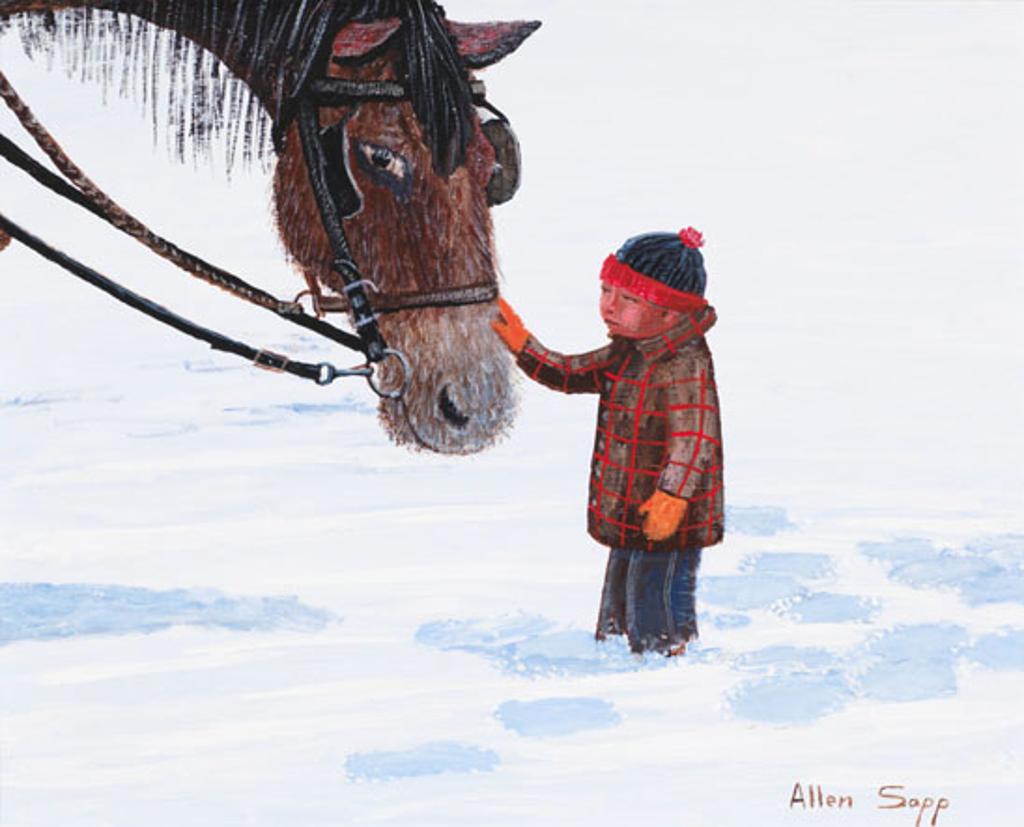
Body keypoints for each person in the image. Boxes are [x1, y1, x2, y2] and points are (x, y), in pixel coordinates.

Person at [492, 227, 724, 655]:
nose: (609, 306)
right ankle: (615, 650)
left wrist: (672, 497)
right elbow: (569, 372)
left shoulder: (684, 362)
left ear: (670, 313)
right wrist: (522, 345)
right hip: (631, 507)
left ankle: (665, 659)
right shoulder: (628, 352)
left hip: (667, 517)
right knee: (621, 593)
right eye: (606, 290)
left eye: (629, 299)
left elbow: (694, 437)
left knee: (657, 596)